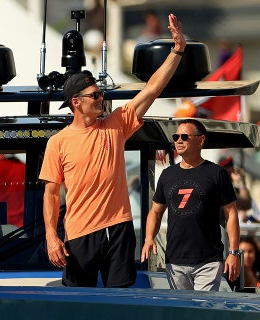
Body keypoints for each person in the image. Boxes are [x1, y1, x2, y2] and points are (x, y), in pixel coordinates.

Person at [39, 13, 186, 288]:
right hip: (80, 234)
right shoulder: (57, 142)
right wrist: (51, 236)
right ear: (76, 102)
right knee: (79, 305)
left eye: (100, 93)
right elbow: (49, 194)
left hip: (119, 228)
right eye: (94, 95)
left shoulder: (116, 124)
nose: (100, 98)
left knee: (121, 301)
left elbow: (152, 89)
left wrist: (177, 51)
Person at [141, 119, 241, 291]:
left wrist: (233, 253)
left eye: (185, 137)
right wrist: (149, 238)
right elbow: (156, 212)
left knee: (202, 311)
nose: (179, 140)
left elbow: (231, 213)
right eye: (176, 136)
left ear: (201, 140)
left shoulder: (217, 173)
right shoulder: (167, 174)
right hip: (175, 259)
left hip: (208, 260)